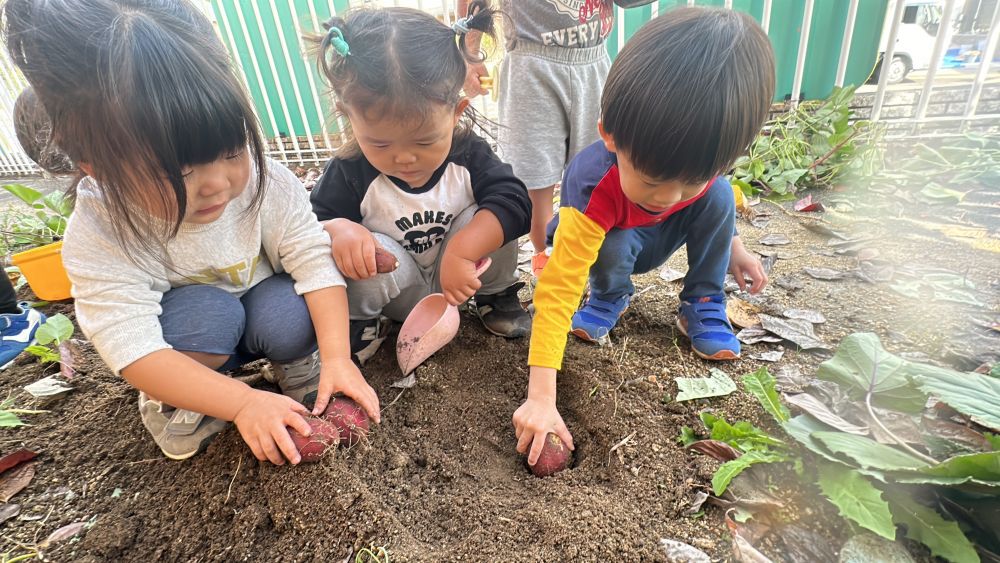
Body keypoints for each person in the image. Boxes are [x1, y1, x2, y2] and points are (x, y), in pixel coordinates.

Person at [3, 0, 379, 464]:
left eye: (230, 150)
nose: (217, 183)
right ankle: (180, 400)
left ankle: (301, 367)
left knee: (289, 306)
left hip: (259, 313)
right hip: (186, 343)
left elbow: (312, 260)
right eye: (180, 172)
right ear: (96, 168)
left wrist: (338, 358)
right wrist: (243, 402)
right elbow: (133, 346)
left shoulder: (266, 183)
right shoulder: (101, 230)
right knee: (210, 312)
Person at [515, 7, 776, 467]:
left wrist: (733, 246)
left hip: (666, 235)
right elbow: (556, 293)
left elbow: (700, 196)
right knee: (612, 241)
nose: (671, 195)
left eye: (690, 179)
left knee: (716, 199)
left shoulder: (703, 177)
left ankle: (702, 302)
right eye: (654, 180)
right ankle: (609, 297)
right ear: (610, 137)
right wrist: (540, 397)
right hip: (619, 242)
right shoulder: (592, 191)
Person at [308, 0, 532, 357]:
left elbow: (517, 202)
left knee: (493, 214)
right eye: (380, 142)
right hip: (400, 291)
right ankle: (361, 322)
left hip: (467, 278)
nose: (404, 158)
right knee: (362, 246)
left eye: (425, 140)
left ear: (456, 113)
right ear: (349, 118)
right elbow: (308, 225)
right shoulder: (350, 170)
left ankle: (497, 295)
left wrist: (464, 250)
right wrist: (339, 230)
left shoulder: (468, 154)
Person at [459, 0, 614, 278]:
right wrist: (471, 53)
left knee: (599, 179)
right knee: (534, 183)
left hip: (594, 60)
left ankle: (592, 274)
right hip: (530, 64)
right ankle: (551, 271)